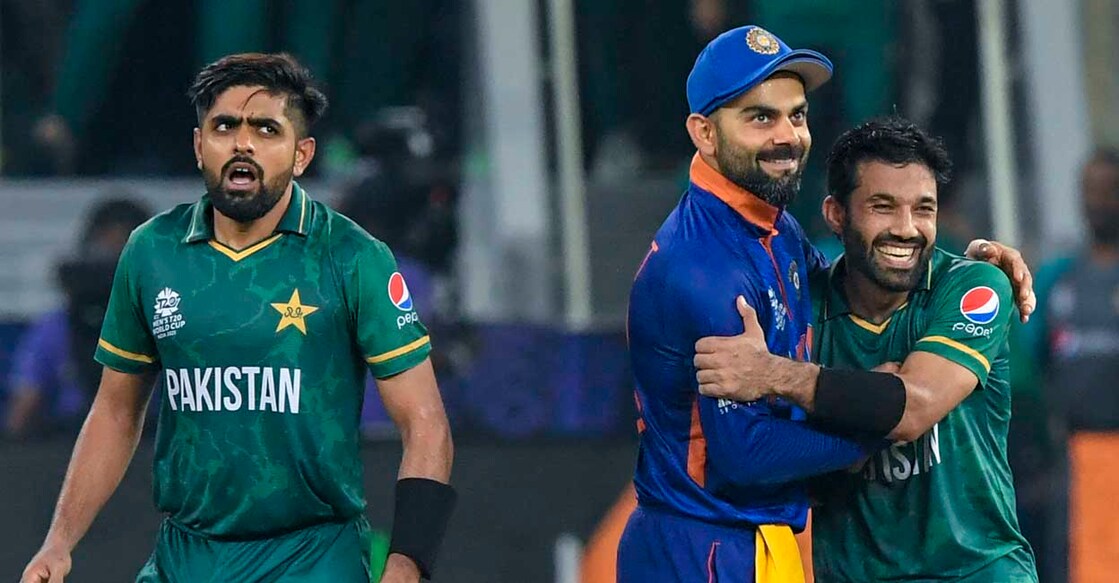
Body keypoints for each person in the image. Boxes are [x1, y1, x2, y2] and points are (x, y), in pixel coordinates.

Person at [618, 26, 1034, 582]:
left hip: (766, 541)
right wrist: (869, 431)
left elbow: (865, 281)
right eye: (760, 117)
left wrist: (971, 263)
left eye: (797, 115)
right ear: (704, 133)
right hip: (705, 546)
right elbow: (742, 454)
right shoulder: (701, 268)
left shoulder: (779, 232)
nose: (786, 136)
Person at [20, 53, 455, 583]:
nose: (243, 143)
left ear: (301, 154)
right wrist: (59, 543)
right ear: (200, 145)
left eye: (267, 129)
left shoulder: (352, 256)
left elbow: (426, 424)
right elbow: (115, 412)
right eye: (225, 126)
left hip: (311, 557)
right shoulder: (152, 251)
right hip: (185, 556)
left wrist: (407, 565)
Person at [694, 117, 1038, 581]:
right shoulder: (803, 306)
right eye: (882, 207)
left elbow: (915, 406)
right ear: (837, 214)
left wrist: (775, 375)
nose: (907, 228)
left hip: (975, 571)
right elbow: (763, 456)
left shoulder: (974, 285)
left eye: (924, 210)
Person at [1020, 148, 1119, 581]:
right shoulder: (1059, 277)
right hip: (1075, 457)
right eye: (1089, 191)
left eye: (1109, 191)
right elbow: (1030, 366)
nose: (1098, 201)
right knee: (1075, 564)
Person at [4, 196, 151, 439]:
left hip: (148, 444)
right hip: (71, 444)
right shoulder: (55, 326)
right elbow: (22, 412)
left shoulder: (170, 328)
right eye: (106, 249)